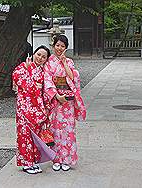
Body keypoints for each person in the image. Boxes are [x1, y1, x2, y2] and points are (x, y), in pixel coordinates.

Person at [44, 35, 86, 171]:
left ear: (66, 48)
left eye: (62, 46)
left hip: (67, 102)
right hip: (56, 101)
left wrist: (64, 63)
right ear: (53, 46)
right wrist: (56, 96)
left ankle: (66, 160)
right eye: (57, 45)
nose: (59, 48)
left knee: (68, 130)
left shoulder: (69, 61)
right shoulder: (49, 62)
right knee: (55, 130)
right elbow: (48, 81)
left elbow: (73, 78)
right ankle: (56, 159)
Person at [12, 45, 51, 174]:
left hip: (36, 108)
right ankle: (26, 163)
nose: (40, 58)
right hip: (24, 107)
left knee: (35, 136)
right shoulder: (24, 66)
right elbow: (17, 78)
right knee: (24, 135)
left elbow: (43, 90)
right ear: (34, 54)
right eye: (38, 54)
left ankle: (33, 161)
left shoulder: (42, 71)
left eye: (43, 57)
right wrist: (29, 73)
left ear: (46, 60)